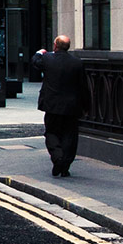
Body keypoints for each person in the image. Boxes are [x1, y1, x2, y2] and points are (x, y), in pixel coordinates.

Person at [36, 33, 90, 177]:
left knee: (51, 133)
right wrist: (86, 106)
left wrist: (40, 52)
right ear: (68, 47)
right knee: (69, 136)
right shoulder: (77, 63)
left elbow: (35, 62)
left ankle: (57, 158)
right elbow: (83, 87)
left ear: (55, 46)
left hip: (52, 105)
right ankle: (64, 165)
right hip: (72, 107)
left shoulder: (47, 59)